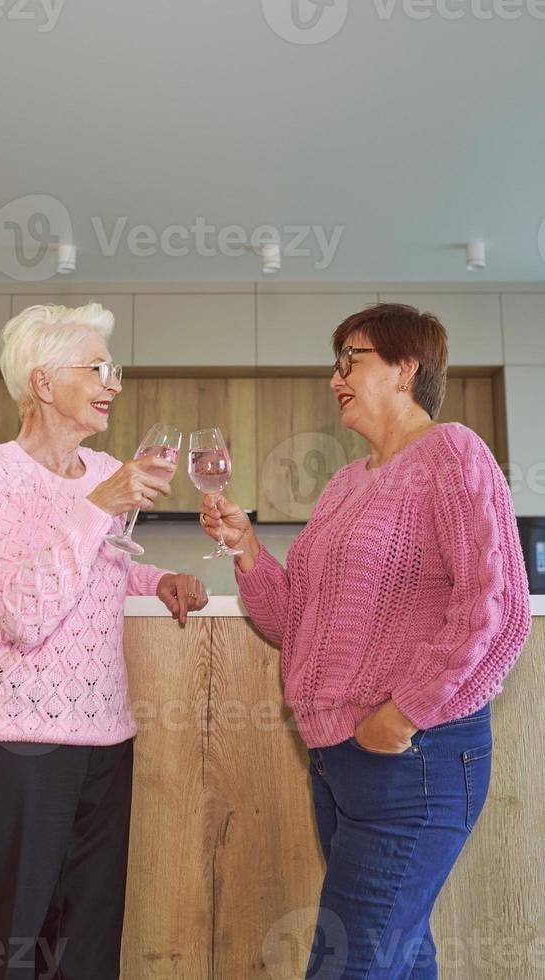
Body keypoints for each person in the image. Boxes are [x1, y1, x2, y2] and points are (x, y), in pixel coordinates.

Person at [199, 303, 531, 979]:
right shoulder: (345, 484)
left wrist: (403, 712)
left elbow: (496, 610)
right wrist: (247, 549)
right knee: (397, 959)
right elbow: (293, 621)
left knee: (350, 963)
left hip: (414, 758)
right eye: (335, 362)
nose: (335, 377)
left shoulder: (451, 453)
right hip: (338, 763)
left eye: (351, 358)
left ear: (406, 367)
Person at [0, 303, 208, 980]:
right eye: (96, 368)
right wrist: (99, 506)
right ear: (41, 383)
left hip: (106, 741)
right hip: (22, 744)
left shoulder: (102, 472)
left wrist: (156, 579)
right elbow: (24, 612)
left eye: (112, 368)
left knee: (86, 953)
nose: (112, 382)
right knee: (1, 952)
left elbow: (99, 569)